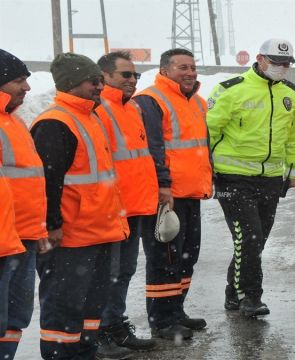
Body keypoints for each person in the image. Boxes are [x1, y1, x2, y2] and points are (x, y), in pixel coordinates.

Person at [31, 52, 130, 359]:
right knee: (64, 306)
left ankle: (86, 350)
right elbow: (47, 181)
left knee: (90, 305)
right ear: (71, 83)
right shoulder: (54, 122)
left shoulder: (90, 116)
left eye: (100, 80)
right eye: (93, 81)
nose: (99, 86)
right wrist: (52, 225)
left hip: (99, 230)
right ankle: (61, 354)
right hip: (72, 236)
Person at [206, 38, 295, 317]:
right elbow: (208, 132)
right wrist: (205, 171)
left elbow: (294, 137)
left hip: (271, 179)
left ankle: (232, 292)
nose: (282, 68)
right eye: (276, 62)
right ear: (260, 59)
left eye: (286, 64)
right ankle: (250, 296)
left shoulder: (291, 94)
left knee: (255, 240)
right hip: (233, 178)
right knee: (248, 237)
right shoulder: (231, 90)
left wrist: (292, 172)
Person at [134, 48, 212, 339]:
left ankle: (177, 311)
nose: (190, 72)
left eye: (192, 67)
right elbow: (153, 149)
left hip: (191, 192)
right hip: (167, 195)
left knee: (187, 256)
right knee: (164, 258)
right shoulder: (151, 100)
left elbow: (202, 148)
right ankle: (162, 321)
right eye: (182, 67)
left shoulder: (198, 103)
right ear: (165, 70)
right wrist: (163, 185)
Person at [94, 51, 158, 357]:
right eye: (126, 75)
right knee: (109, 273)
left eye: (136, 76)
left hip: (134, 207)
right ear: (104, 76)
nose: (133, 80)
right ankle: (102, 331)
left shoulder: (131, 108)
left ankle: (115, 325)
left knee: (125, 270)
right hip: (112, 209)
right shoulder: (99, 109)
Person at [0, 49, 37, 360]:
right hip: (3, 242)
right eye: (17, 80)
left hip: (22, 239)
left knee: (14, 317)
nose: (26, 87)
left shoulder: (16, 122)